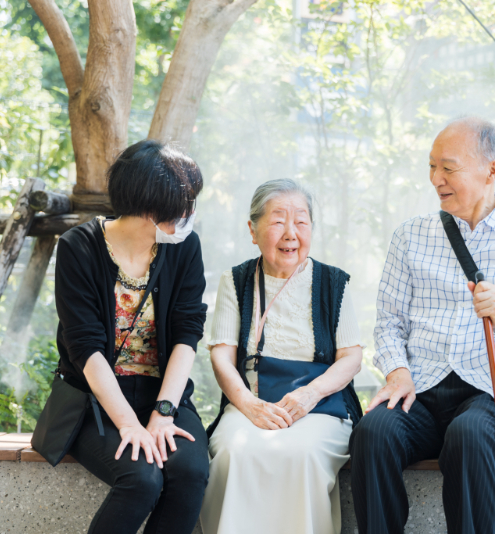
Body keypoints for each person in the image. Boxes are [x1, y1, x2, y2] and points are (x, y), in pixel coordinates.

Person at [350, 116, 495, 534]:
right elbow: (389, 322)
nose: (436, 179)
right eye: (431, 167)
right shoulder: (410, 236)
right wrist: (397, 372)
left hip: (492, 392)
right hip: (422, 387)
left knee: (468, 437)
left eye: (448, 168)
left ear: (492, 170)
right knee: (372, 433)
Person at [52, 139, 209, 533]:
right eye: (185, 204)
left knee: (189, 474)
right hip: (96, 401)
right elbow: (85, 348)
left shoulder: (184, 246)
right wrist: (128, 424)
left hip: (163, 394)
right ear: (151, 208)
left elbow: (187, 335)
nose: (190, 214)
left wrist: (164, 412)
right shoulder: (78, 248)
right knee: (141, 479)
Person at [201, 178, 364, 534]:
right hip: (252, 402)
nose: (291, 233)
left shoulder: (334, 283)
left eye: (301, 221)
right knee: (232, 452)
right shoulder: (236, 280)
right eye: (278, 221)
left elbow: (351, 357)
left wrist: (310, 395)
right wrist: (247, 404)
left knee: (301, 453)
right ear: (253, 229)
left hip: (321, 405)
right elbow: (221, 357)